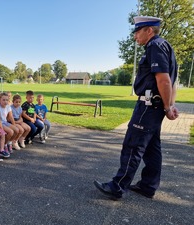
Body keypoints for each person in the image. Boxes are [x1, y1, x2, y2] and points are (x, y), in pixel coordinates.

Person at [94, 16, 179, 200]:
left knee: (133, 146)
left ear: (149, 30)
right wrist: (170, 105)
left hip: (148, 106)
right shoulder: (166, 47)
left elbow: (163, 79)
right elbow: (172, 81)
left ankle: (117, 186)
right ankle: (148, 185)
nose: (135, 37)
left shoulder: (154, 46)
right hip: (155, 107)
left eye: (137, 32)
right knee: (152, 148)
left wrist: (167, 107)